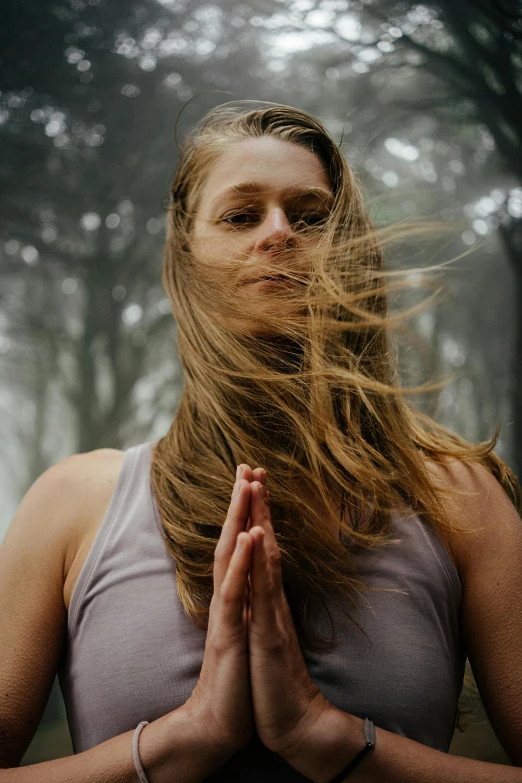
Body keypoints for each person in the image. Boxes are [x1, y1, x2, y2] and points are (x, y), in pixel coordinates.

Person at [1, 101, 521, 783]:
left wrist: (330, 738)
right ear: (185, 251)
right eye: (241, 215)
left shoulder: (456, 497)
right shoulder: (71, 504)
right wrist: (186, 736)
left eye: (309, 216)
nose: (278, 233)